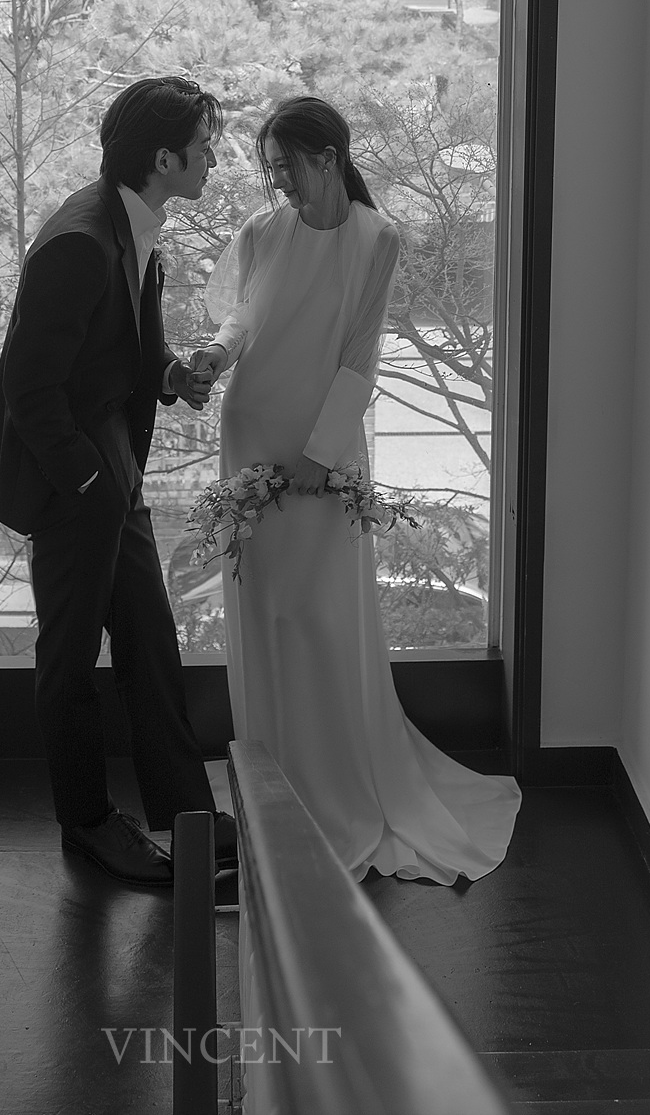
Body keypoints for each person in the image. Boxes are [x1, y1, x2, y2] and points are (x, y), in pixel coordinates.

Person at [189, 95, 521, 884]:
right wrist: (214, 356)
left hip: (326, 444)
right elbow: (242, 319)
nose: (279, 183)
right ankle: (270, 779)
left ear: (328, 158)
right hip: (252, 430)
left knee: (323, 611)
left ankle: (336, 781)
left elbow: (361, 354)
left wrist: (323, 452)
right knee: (265, 608)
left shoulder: (379, 238)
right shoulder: (264, 231)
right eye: (272, 170)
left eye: (287, 167)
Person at [0, 76, 236, 891]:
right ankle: (87, 823)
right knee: (70, 658)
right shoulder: (81, 242)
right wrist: (89, 481)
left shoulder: (133, 223)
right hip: (76, 482)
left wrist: (169, 375)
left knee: (150, 643)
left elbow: (117, 348)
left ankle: (188, 818)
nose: (213, 159)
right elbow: (31, 390)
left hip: (111, 467)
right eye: (204, 148)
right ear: (163, 160)